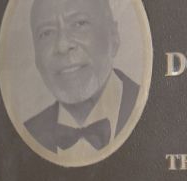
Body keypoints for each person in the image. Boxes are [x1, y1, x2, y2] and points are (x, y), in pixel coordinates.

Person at [24, 0, 140, 161]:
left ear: (113, 36)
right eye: (46, 33)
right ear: (36, 57)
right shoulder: (24, 136)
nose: (62, 46)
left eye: (79, 24)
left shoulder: (158, 112)